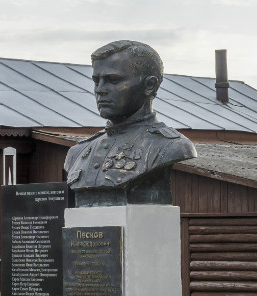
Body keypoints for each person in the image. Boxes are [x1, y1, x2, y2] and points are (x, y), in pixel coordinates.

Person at [65, 40, 196, 207]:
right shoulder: (77, 153)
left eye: (113, 80)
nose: (100, 89)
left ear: (149, 85)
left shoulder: (170, 147)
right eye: (96, 81)